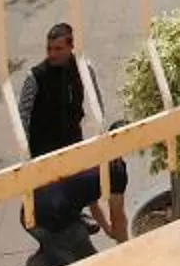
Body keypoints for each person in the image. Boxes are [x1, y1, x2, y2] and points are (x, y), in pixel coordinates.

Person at [20, 22, 128, 247]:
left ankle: (88, 221)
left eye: (58, 49)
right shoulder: (35, 78)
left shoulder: (83, 69)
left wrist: (98, 128)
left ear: (71, 47)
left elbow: (96, 101)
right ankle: (57, 231)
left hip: (71, 136)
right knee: (52, 197)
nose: (52, 54)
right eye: (49, 48)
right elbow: (23, 117)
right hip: (45, 148)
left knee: (83, 182)